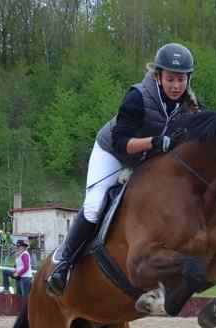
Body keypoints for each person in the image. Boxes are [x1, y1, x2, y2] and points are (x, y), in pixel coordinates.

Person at [46, 43, 201, 295]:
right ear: (158, 76)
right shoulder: (137, 96)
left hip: (146, 161)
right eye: (170, 79)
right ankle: (63, 263)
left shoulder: (189, 106)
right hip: (113, 153)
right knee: (95, 206)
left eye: (181, 79)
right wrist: (154, 141)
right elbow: (120, 142)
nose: (176, 85)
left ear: (188, 79)